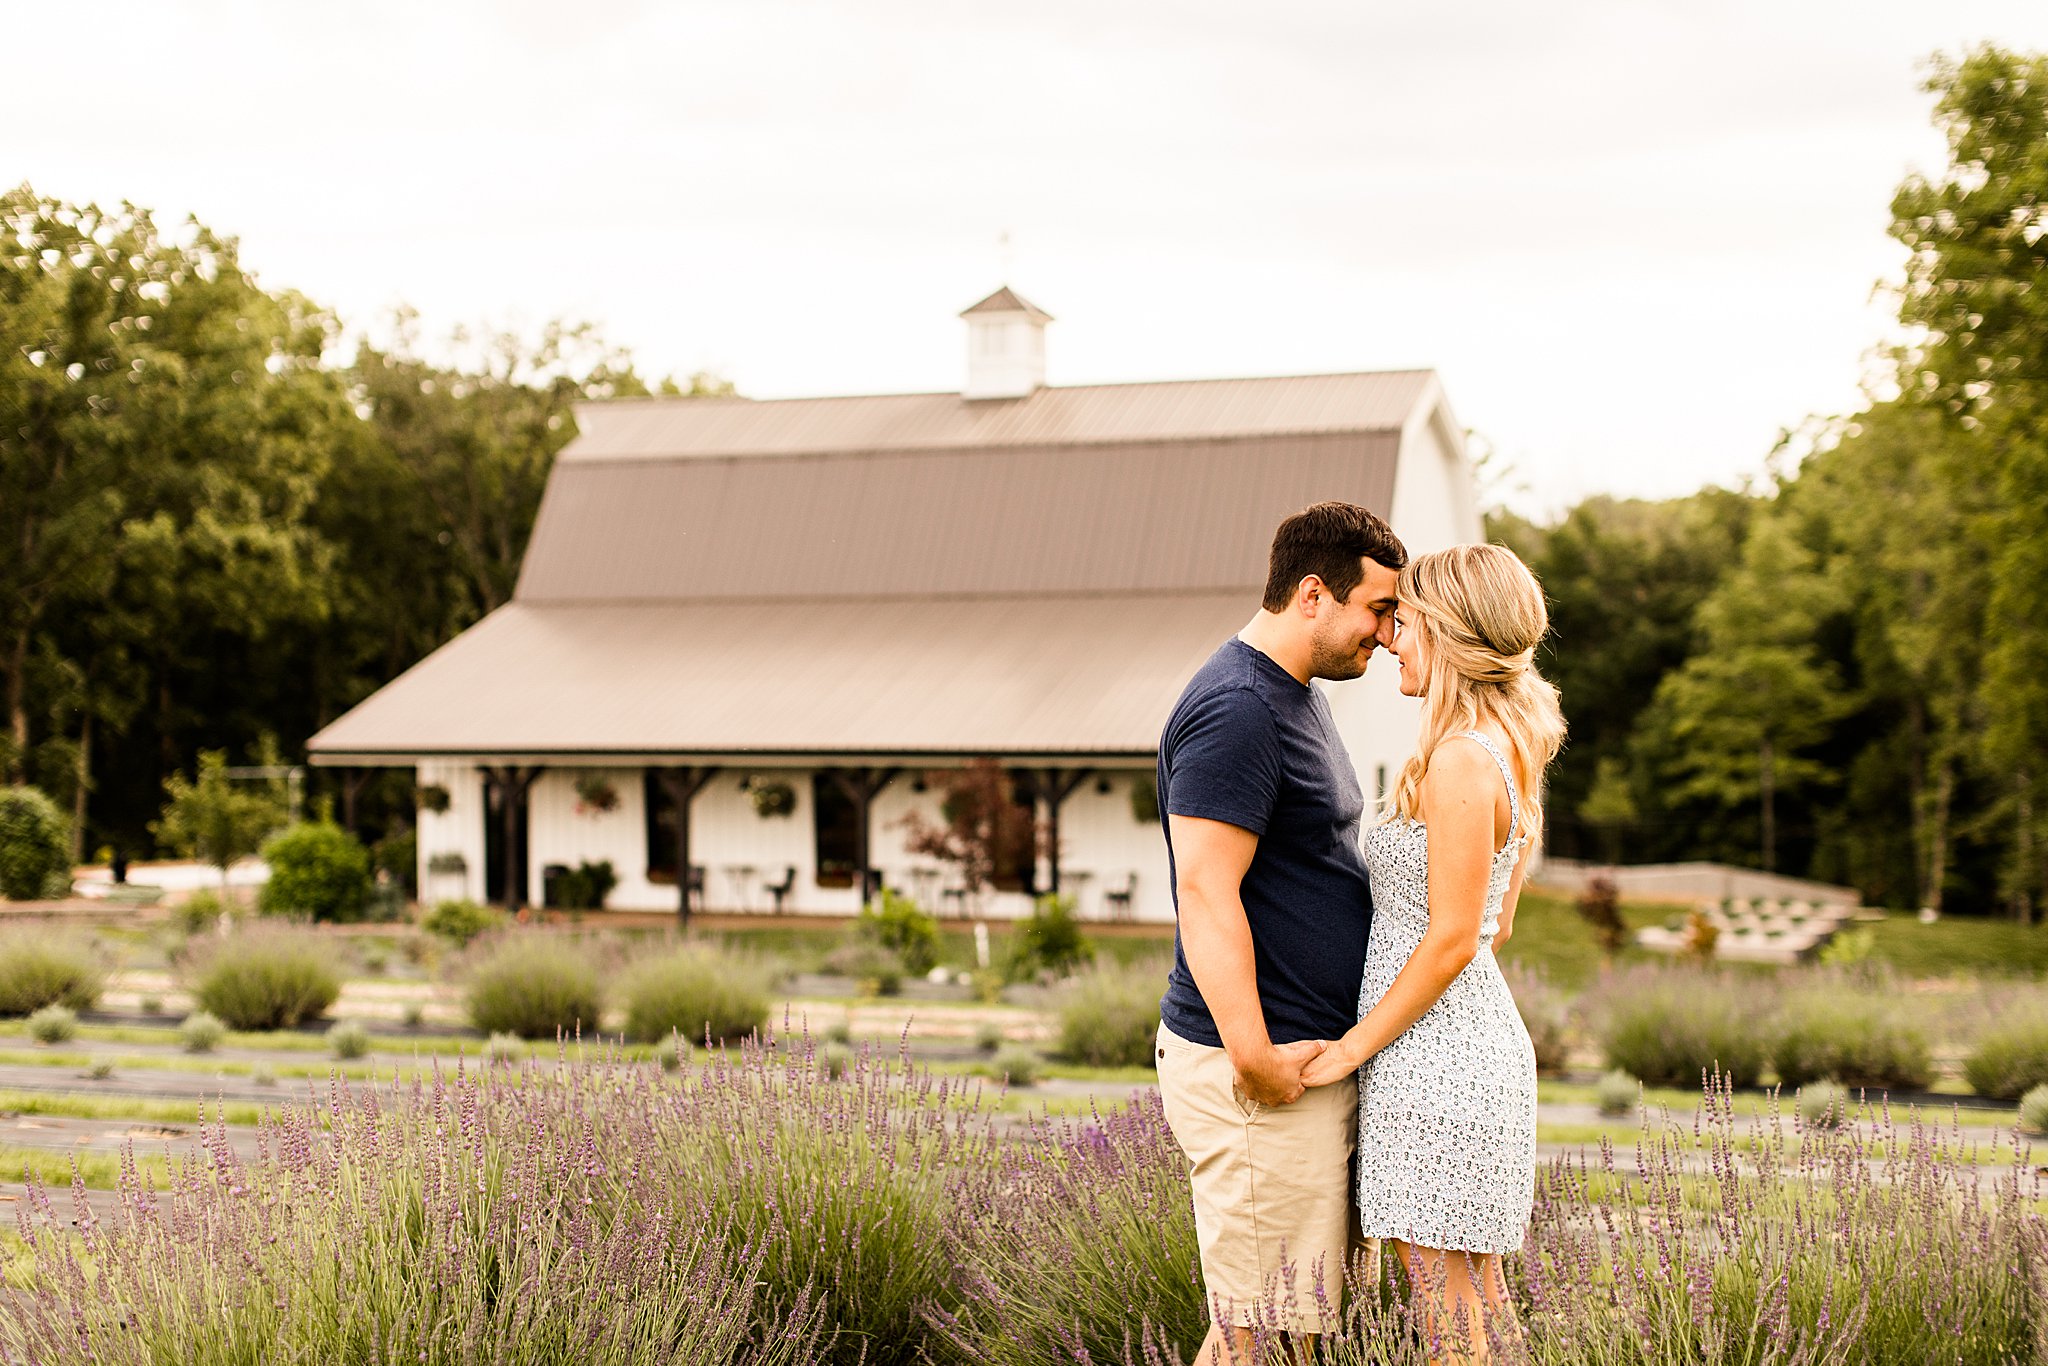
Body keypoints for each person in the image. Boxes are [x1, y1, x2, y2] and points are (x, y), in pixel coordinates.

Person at [1300, 543, 1566, 1363]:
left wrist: (1354, 1045)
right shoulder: (1508, 747)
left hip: (1436, 1060)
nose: (1390, 641)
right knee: (1475, 1299)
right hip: (1471, 1047)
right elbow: (1498, 924)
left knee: (1447, 1311)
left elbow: (1454, 937)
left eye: (1404, 622)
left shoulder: (1459, 759)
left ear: (1447, 631)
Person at [1154, 500, 1407, 1360]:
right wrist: (1256, 1059)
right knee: (1255, 1332)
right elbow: (1205, 889)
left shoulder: (1293, 695)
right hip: (1262, 1069)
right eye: (1377, 609)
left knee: (1292, 1333)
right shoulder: (1239, 709)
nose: (1386, 631)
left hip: (1304, 1059)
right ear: (1312, 594)